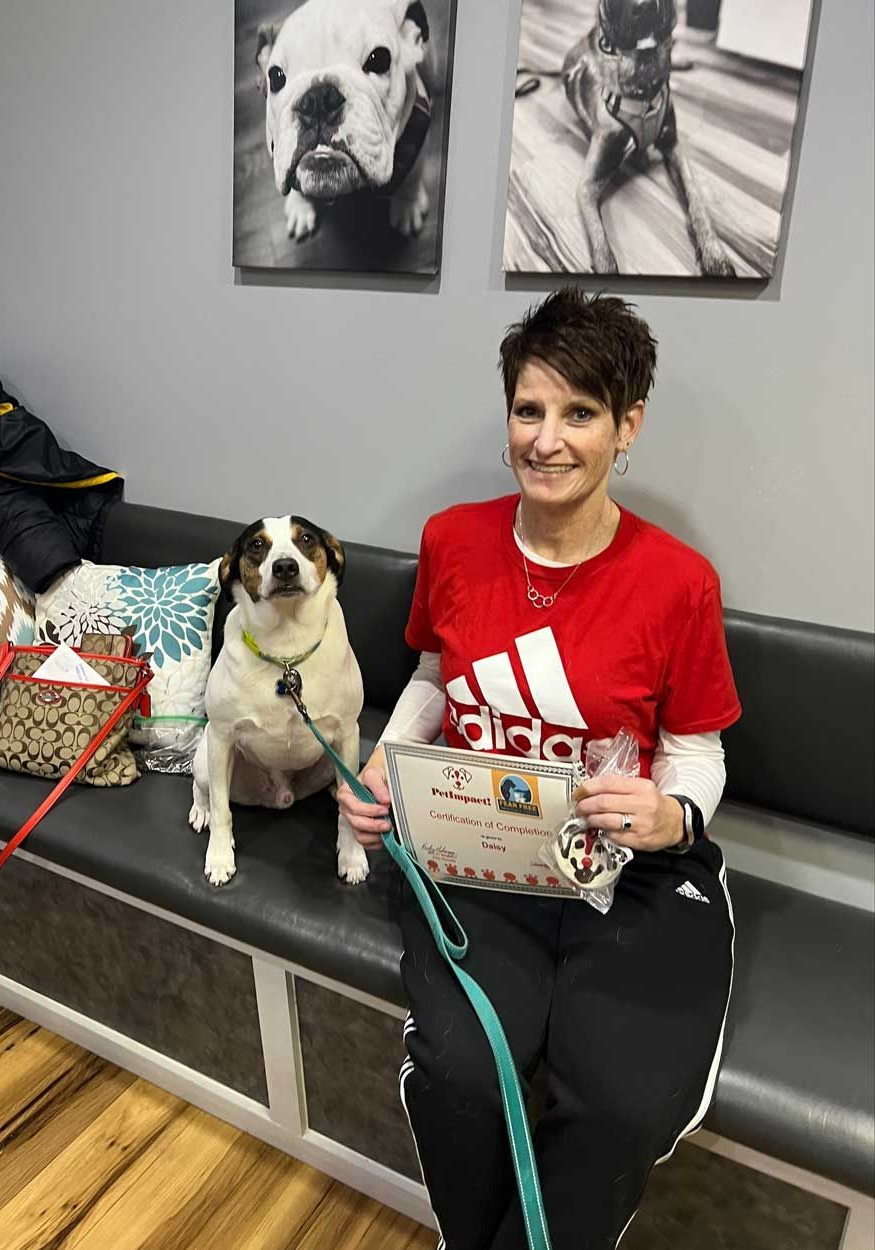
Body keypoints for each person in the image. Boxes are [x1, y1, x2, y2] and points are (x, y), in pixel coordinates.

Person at [337, 288, 741, 1250]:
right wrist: (385, 765)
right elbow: (432, 677)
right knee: (464, 1077)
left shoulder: (678, 580)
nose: (547, 440)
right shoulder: (453, 540)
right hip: (482, 857)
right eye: (529, 409)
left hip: (624, 873)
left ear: (627, 426)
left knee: (623, 1102)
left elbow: (697, 749)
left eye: (580, 413)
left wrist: (671, 815)